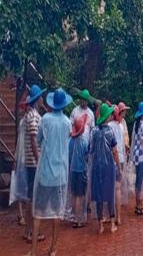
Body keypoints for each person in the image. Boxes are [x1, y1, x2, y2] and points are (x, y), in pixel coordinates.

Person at [28, 88, 72, 256]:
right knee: (56, 213)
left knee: (38, 212)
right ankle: (53, 250)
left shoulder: (44, 120)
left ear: (52, 104)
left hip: (45, 173)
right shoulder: (67, 122)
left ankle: (33, 251)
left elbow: (38, 141)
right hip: (60, 175)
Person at [90, 103, 120, 234]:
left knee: (99, 195)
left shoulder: (94, 131)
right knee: (110, 194)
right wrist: (118, 166)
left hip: (97, 167)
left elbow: (90, 150)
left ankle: (101, 225)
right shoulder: (110, 131)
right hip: (109, 167)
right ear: (107, 117)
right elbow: (115, 151)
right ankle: (112, 224)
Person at [23, 85, 46, 243]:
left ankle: (28, 230)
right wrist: (39, 162)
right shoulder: (34, 117)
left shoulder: (29, 115)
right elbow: (33, 140)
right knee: (33, 197)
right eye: (41, 97)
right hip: (33, 162)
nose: (43, 99)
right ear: (37, 99)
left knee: (30, 196)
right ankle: (31, 232)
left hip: (29, 161)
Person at [67, 114, 89, 228]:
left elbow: (68, 155)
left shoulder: (70, 141)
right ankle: (78, 219)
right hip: (81, 171)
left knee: (74, 194)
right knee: (80, 195)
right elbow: (87, 157)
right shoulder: (84, 142)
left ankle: (74, 217)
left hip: (72, 170)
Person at [131, 102, 143, 215]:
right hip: (142, 155)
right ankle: (139, 205)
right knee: (140, 180)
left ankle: (137, 203)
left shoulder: (136, 124)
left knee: (137, 180)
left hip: (136, 155)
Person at [109, 105, 126, 226]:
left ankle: (109, 215)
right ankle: (119, 217)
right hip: (120, 158)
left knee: (110, 188)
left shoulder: (109, 127)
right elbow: (123, 146)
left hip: (111, 159)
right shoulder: (120, 126)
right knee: (118, 189)